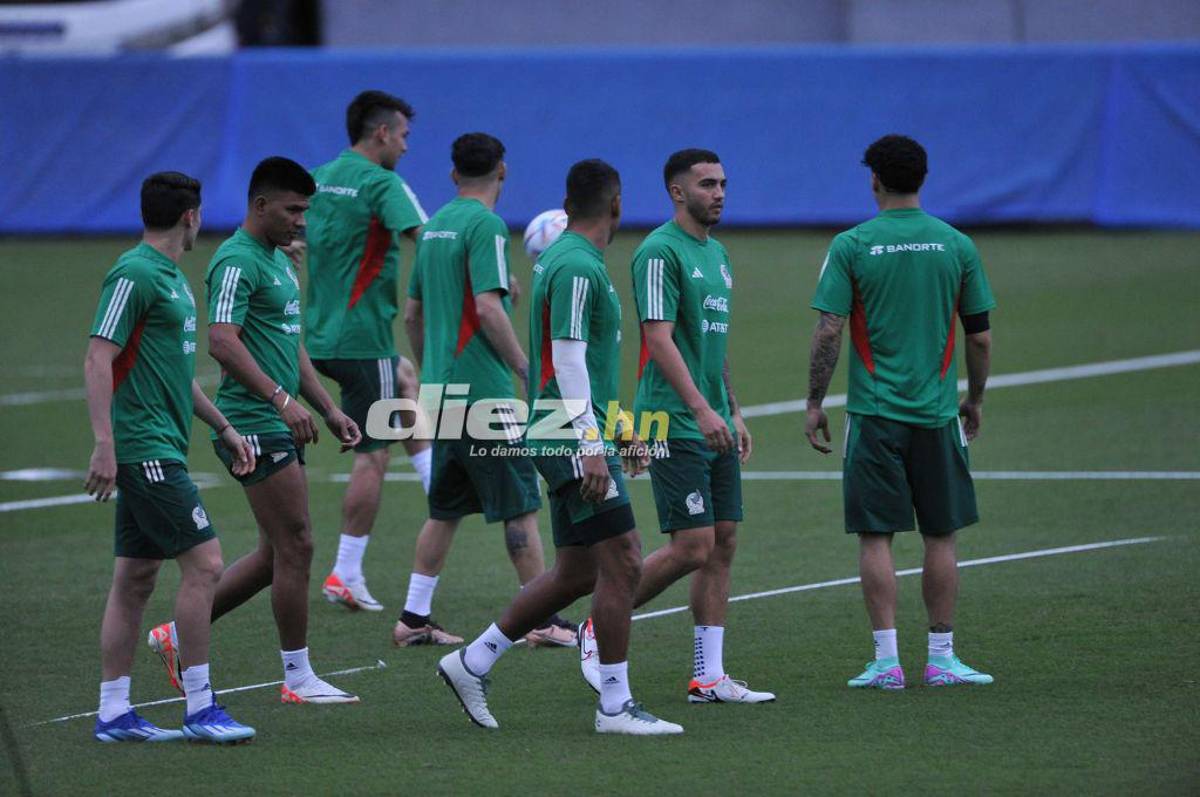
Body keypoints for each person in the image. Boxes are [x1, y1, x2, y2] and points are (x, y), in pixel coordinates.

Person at [437, 159, 683, 735]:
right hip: (569, 434)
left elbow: (585, 367)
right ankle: (615, 707)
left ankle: (471, 662)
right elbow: (568, 359)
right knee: (623, 559)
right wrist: (593, 443)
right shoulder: (575, 265)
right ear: (617, 204)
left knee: (575, 571)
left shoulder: (573, 262)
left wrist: (618, 427)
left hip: (570, 428)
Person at [147, 157, 364, 705]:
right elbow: (221, 340)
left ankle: (176, 634)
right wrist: (280, 399)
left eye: (306, 211)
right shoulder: (236, 261)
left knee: (275, 554)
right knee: (298, 545)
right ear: (260, 205)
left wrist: (325, 406)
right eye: (293, 210)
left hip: (278, 418)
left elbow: (290, 344)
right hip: (250, 422)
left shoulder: (278, 262)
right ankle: (297, 677)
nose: (301, 221)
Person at [578, 149, 775, 704]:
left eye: (723, 183)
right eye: (707, 184)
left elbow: (715, 346)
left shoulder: (720, 257)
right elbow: (658, 339)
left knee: (723, 543)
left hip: (710, 418)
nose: (719, 192)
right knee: (691, 546)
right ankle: (596, 624)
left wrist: (731, 408)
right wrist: (701, 410)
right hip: (673, 420)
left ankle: (707, 677)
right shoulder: (659, 251)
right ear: (676, 192)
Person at [805, 134, 996, 689]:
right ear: (923, 178)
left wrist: (815, 402)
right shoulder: (956, 244)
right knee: (941, 534)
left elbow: (829, 329)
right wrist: (975, 398)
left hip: (873, 415)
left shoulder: (852, 245)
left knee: (876, 537)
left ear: (874, 180)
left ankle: (887, 662)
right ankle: (941, 659)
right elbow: (979, 337)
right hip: (937, 416)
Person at [86, 172, 255, 743]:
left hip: (161, 446)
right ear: (191, 216)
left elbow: (178, 377)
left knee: (134, 579)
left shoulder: (173, 281)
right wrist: (106, 445)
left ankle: (114, 713)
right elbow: (96, 358)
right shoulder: (134, 273)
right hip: (145, 450)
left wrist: (225, 427)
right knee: (206, 565)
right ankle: (201, 707)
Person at [393, 132, 574, 648]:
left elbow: (414, 314)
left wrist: (433, 375)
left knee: (444, 509)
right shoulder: (487, 225)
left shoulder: (432, 231)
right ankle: (543, 619)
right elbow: (489, 309)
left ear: (453, 175)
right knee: (520, 507)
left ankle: (413, 617)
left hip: (442, 391)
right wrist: (524, 369)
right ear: (503, 171)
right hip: (485, 392)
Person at [304, 90, 434, 611]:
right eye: (403, 135)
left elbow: (294, 237)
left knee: (405, 381)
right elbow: (430, 238)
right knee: (372, 456)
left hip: (317, 337)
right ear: (381, 132)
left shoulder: (315, 178)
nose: (405, 146)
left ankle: (439, 485)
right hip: (363, 339)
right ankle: (345, 571)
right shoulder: (384, 184)